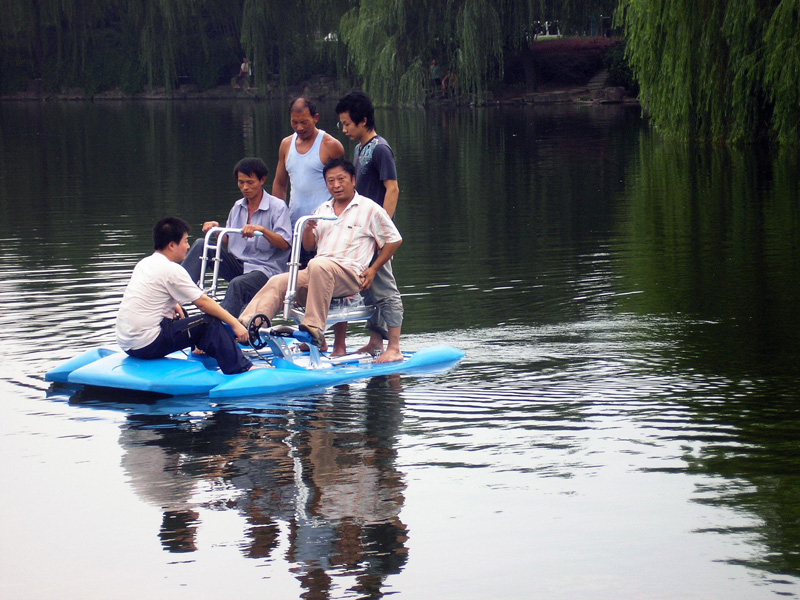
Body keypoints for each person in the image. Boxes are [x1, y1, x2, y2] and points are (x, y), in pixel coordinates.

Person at [238, 158, 402, 360]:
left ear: (352, 180)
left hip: (349, 273)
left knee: (318, 264)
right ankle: (247, 325)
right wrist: (308, 229)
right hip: (319, 271)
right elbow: (308, 246)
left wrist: (374, 269)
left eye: (341, 179)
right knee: (280, 280)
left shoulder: (370, 208)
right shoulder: (322, 209)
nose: (336, 185)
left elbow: (394, 240)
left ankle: (314, 330)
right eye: (330, 181)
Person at [115, 217, 254, 374]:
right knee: (209, 323)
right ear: (172, 245)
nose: (188, 246)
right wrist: (235, 324)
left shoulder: (144, 263)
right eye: (185, 241)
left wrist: (173, 304)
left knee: (183, 313)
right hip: (147, 345)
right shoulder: (171, 269)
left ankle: (203, 349)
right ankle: (242, 368)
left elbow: (149, 293)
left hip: (127, 343)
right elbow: (203, 302)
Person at [335, 90, 404, 363]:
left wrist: (382, 231)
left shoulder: (380, 148)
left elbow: (393, 189)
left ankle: (394, 347)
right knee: (368, 286)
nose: (344, 129)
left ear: (363, 121)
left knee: (385, 288)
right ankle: (376, 341)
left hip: (377, 233)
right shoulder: (359, 148)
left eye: (347, 123)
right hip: (362, 232)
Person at [182, 157, 291, 318]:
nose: (245, 187)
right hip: (240, 264)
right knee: (201, 245)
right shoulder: (238, 206)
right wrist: (216, 231)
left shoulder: (277, 207)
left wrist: (262, 231)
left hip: (265, 270)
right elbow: (228, 243)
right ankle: (175, 290)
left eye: (250, 182)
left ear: (262, 180)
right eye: (241, 183)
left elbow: (285, 244)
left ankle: (220, 330)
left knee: (237, 284)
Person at [272, 97, 345, 247]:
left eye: (304, 122)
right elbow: (280, 184)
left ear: (315, 118)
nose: (299, 127)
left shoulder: (331, 145)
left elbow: (344, 186)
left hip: (324, 226)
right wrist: (279, 218)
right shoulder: (286, 145)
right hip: (295, 225)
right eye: (294, 122)